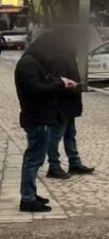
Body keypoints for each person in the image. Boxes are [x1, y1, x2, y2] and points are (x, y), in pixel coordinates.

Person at [14, 33, 77, 213]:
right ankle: (27, 198)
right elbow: (36, 89)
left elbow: (42, 83)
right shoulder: (29, 64)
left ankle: (30, 194)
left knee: (34, 159)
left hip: (40, 116)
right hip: (37, 117)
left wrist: (60, 82)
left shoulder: (34, 62)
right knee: (33, 160)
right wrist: (59, 84)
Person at [45, 27, 95, 179]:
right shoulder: (59, 57)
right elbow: (58, 81)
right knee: (56, 135)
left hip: (69, 103)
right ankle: (54, 166)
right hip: (62, 104)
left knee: (70, 134)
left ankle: (74, 162)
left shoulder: (67, 56)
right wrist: (71, 87)